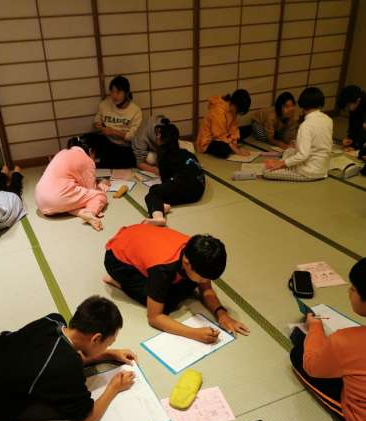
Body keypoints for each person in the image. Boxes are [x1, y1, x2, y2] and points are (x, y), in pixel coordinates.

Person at [0, 296, 136, 421]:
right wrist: (114, 387)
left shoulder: (53, 320)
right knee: (66, 407)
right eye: (109, 343)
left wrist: (108, 354)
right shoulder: (66, 366)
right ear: (96, 338)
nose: (109, 347)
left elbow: (58, 356)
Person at [103, 224, 250, 341]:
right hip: (117, 258)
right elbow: (154, 318)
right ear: (186, 262)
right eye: (203, 278)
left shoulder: (198, 251)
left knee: (188, 285)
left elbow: (206, 290)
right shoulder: (163, 269)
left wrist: (222, 314)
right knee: (167, 304)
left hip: (139, 236)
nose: (205, 282)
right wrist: (194, 333)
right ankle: (119, 282)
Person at [290, 258, 366, 421]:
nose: (349, 291)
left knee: (298, 354)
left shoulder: (347, 341)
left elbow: (312, 366)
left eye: (353, 289)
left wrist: (315, 328)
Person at [35, 136, 109, 231]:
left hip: (41, 202)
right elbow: (91, 189)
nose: (95, 159)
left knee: (71, 197)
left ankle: (77, 211)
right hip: (58, 199)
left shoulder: (62, 152)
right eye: (95, 156)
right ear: (91, 151)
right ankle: (90, 212)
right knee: (99, 195)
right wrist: (102, 184)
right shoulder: (87, 160)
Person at [263, 87, 332, 181]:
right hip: (323, 167)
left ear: (302, 104)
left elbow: (303, 155)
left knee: (266, 171)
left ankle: (281, 163)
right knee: (289, 150)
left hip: (308, 172)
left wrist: (281, 164)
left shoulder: (306, 125)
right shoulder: (328, 120)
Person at [143, 122, 205, 227]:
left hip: (188, 188)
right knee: (158, 190)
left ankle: (158, 218)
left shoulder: (164, 156)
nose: (156, 137)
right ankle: (162, 206)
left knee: (153, 193)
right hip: (199, 189)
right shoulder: (186, 153)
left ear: (162, 138)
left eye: (158, 134)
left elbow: (165, 180)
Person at [90, 75, 142, 168]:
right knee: (86, 140)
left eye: (118, 92)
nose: (114, 96)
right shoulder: (105, 104)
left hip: (124, 146)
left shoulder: (136, 111)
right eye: (112, 92)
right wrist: (99, 126)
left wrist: (113, 131)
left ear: (126, 93)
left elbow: (132, 136)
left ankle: (99, 162)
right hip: (107, 141)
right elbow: (97, 120)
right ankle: (98, 161)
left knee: (129, 159)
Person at [196, 89, 252, 158]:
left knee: (248, 129)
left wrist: (234, 142)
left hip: (225, 135)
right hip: (210, 140)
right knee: (224, 150)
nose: (237, 113)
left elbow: (234, 128)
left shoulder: (232, 109)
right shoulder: (218, 111)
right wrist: (235, 149)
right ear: (234, 103)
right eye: (238, 110)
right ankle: (229, 147)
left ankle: (230, 146)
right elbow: (219, 135)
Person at [337, 85, 366, 151]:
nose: (347, 108)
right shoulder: (354, 107)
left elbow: (363, 130)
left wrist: (356, 145)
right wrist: (349, 139)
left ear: (358, 100)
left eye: (348, 105)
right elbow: (353, 127)